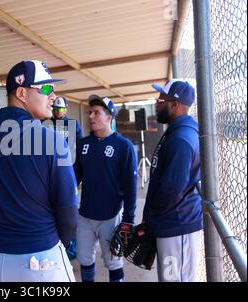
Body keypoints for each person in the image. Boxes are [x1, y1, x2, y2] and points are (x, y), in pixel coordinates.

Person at [0, 60, 78, 282]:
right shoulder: (52, 140)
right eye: (46, 89)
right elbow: (68, 215)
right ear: (21, 92)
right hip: (40, 261)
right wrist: (54, 242)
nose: (53, 96)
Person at [142, 80, 202, 282]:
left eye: (160, 100)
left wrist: (151, 216)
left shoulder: (181, 138)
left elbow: (171, 189)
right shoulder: (176, 132)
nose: (156, 104)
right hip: (171, 224)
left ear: (175, 105)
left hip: (177, 225)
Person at [74, 95, 138, 282]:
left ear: (109, 117)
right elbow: (74, 178)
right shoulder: (83, 144)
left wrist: (128, 220)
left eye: (96, 113)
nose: (91, 116)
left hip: (111, 215)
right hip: (85, 215)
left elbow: (130, 186)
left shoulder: (123, 146)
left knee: (113, 262)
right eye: (89, 112)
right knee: (84, 260)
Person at [46, 96, 83, 260]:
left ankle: (71, 247)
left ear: (66, 109)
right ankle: (55, 243)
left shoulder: (73, 125)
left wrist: (79, 175)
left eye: (60, 109)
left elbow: (81, 147)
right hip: (50, 172)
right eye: (55, 109)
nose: (57, 112)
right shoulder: (46, 123)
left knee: (69, 209)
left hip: (69, 171)